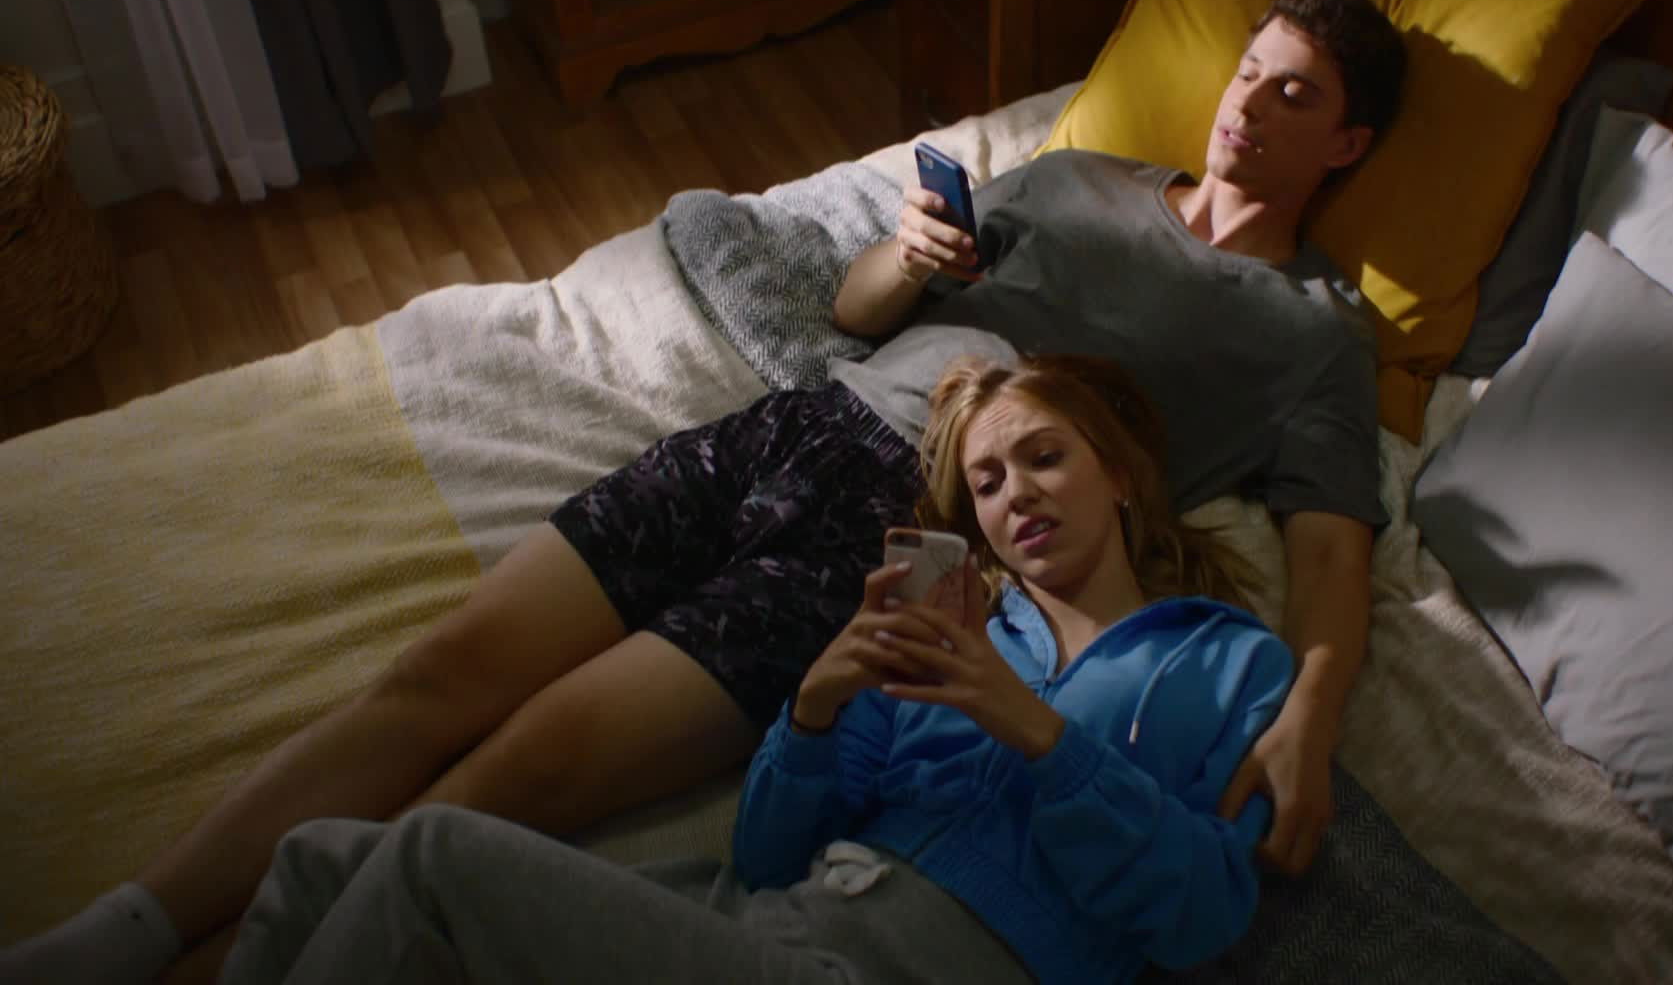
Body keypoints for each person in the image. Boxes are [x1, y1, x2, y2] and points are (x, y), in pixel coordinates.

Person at [0, 0, 1405, 985]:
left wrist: (1308, 718)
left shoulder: (1312, 339)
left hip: (910, 523)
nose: (1249, 105)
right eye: (1249, 71)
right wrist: (911, 255)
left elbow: (1333, 554)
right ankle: (125, 927)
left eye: (1297, 94)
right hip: (785, 428)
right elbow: (856, 312)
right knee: (435, 675)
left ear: (1347, 145)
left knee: (526, 769)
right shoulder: (1078, 175)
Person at [217, 354, 1294, 985]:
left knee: (430, 858)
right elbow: (767, 855)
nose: (1018, 493)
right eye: (988, 483)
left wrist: (1042, 738)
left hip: (922, 968)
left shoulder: (1230, 663)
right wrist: (814, 712)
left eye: (1045, 457)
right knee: (325, 857)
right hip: (769, 931)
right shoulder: (946, 639)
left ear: (1120, 475)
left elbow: (1202, 916)